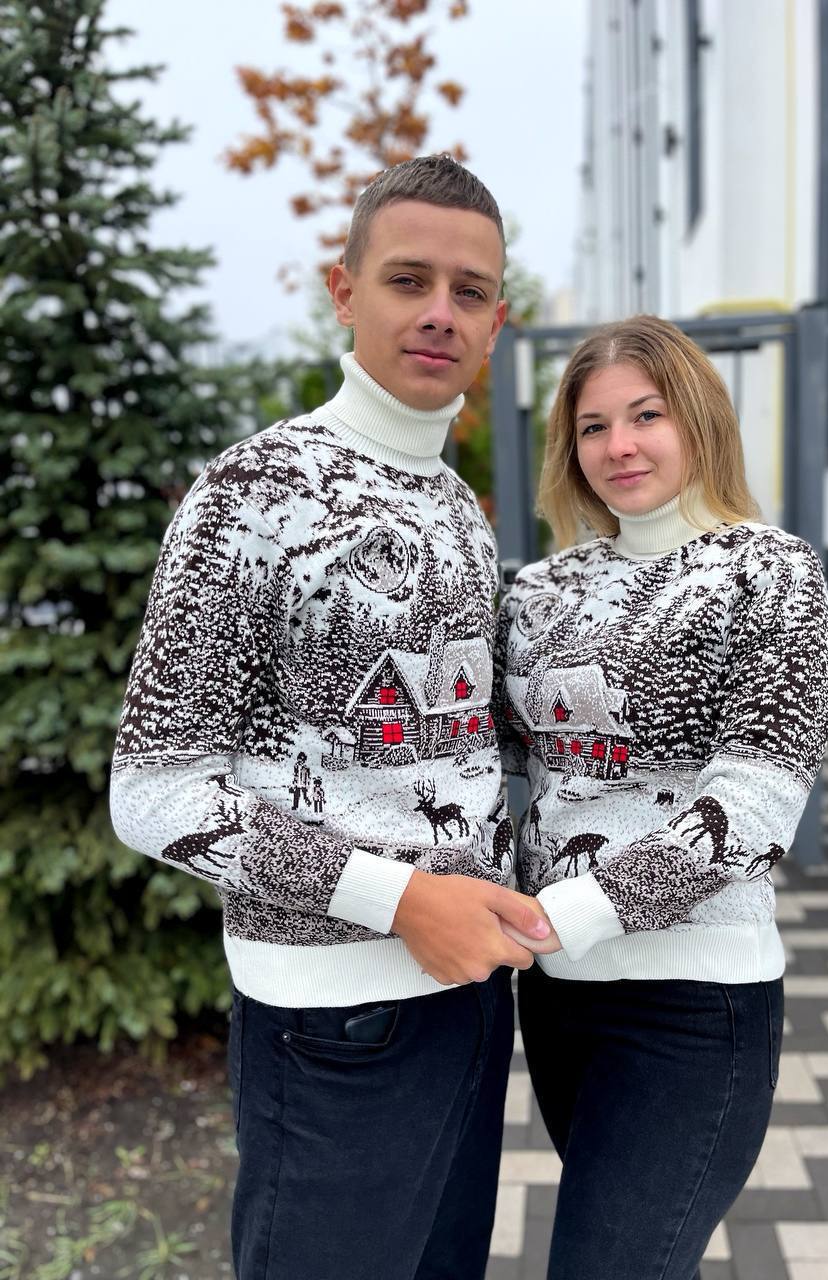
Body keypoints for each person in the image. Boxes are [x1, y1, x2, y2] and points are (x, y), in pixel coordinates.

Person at [110, 155, 554, 1280]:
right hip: (334, 1024)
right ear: (344, 289)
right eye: (409, 279)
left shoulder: (452, 502)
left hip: (468, 1001)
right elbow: (154, 791)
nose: (440, 311)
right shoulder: (252, 491)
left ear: (497, 323)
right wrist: (399, 899)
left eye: (468, 291)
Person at [493, 315, 828, 1280]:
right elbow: (495, 759)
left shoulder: (770, 573)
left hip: (694, 1005)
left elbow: (755, 806)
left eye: (646, 415)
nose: (620, 445)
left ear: (699, 420)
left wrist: (562, 914)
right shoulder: (540, 591)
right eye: (593, 426)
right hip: (558, 997)